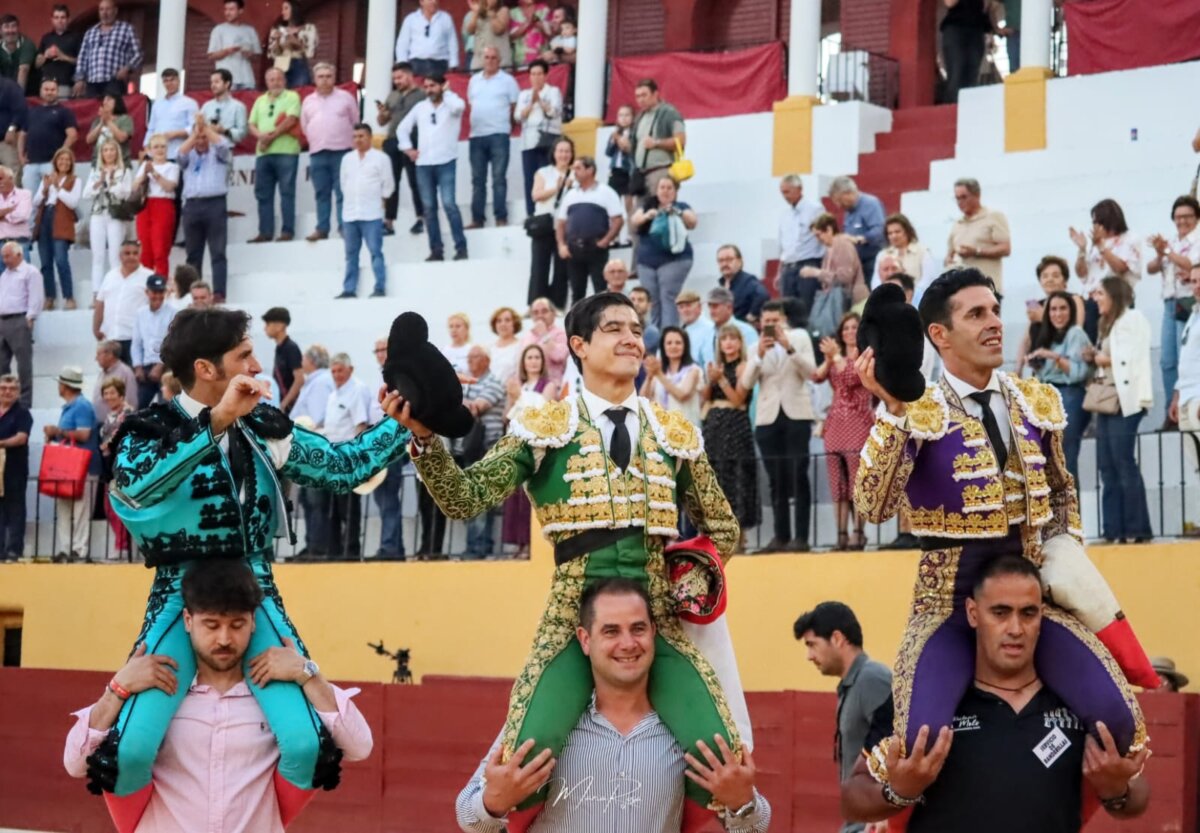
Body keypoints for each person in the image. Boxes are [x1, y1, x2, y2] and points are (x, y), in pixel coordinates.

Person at [401, 292, 751, 829]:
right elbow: (464, 499)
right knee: (526, 758)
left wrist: (688, 579)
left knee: (720, 757)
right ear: (579, 345)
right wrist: (425, 441)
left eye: (636, 328)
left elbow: (723, 528)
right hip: (571, 619)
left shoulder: (673, 432)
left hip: (655, 620)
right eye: (615, 328)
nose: (631, 338)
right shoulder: (544, 426)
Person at [100, 307, 408, 818]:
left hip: (253, 591)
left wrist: (404, 422)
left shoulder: (264, 425)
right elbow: (134, 486)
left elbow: (343, 466)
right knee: (129, 751)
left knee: (306, 743)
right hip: (179, 595)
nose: (257, 364)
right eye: (244, 355)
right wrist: (215, 422)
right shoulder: (148, 429)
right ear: (206, 368)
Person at [854, 268, 1154, 785]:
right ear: (939, 334)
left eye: (994, 310)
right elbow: (873, 507)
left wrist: (1063, 564)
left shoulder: (1035, 400)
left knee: (1121, 724)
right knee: (917, 743)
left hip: (1030, 600)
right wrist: (893, 411)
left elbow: (1061, 494)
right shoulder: (914, 410)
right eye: (976, 314)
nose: (995, 322)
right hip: (948, 605)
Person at [842, 556, 1150, 832]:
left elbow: (1138, 795)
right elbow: (852, 797)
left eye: (1028, 613)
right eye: (1000, 613)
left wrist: (1118, 790)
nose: (1015, 628)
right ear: (973, 613)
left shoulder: (1076, 701)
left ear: (1042, 617)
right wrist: (897, 793)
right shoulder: (923, 699)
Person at [64, 558, 374, 830]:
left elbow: (360, 746)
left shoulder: (281, 693)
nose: (224, 638)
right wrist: (117, 689)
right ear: (188, 620)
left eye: (236, 625)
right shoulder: (156, 692)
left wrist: (308, 673)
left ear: (253, 622)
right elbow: (74, 764)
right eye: (211, 625)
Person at [456, 577, 771, 833]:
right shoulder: (549, 718)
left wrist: (742, 803)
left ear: (653, 633)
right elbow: (468, 815)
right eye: (611, 631)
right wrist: (492, 802)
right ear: (585, 639)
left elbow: (755, 827)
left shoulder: (685, 728)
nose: (628, 644)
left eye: (638, 628)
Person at [793, 601, 890, 833]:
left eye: (812, 644)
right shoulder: (853, 685)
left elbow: (901, 743)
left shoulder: (871, 678)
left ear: (837, 639)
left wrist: (887, 814)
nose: (809, 656)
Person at [1083, 277, 1153, 543]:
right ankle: (1113, 529)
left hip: (1127, 401)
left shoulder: (1133, 318)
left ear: (1114, 295)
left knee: (1123, 462)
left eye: (1100, 293)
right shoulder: (1106, 324)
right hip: (1109, 400)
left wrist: (1103, 359)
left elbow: (1133, 356)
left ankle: (1136, 528)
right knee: (1107, 465)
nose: (1096, 298)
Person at [745, 299, 815, 552]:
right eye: (767, 322)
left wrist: (789, 348)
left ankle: (802, 537)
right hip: (767, 417)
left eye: (775, 321)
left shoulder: (799, 337)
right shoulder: (754, 347)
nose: (771, 325)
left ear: (784, 320)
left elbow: (811, 372)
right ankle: (781, 536)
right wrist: (759, 356)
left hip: (796, 414)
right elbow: (746, 383)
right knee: (776, 478)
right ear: (760, 324)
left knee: (799, 474)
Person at [815, 313, 874, 550]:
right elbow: (816, 376)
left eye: (854, 327)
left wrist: (836, 356)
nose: (849, 331)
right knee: (837, 482)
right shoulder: (836, 357)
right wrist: (829, 358)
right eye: (846, 328)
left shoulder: (867, 355)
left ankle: (858, 533)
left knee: (857, 481)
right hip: (835, 423)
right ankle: (841, 533)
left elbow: (850, 377)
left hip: (859, 421)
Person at [398, 73, 468, 262]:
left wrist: (447, 93)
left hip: (446, 161)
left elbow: (459, 107)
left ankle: (461, 248)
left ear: (442, 86)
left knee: (449, 205)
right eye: (427, 86)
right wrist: (408, 149)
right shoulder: (420, 107)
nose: (429, 90)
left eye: (433, 86)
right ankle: (436, 250)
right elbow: (402, 129)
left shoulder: (452, 104)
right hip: (424, 164)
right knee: (429, 209)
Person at [700, 323, 758, 546]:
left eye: (733, 338)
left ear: (740, 343)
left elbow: (738, 399)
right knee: (716, 478)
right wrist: (711, 379)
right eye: (724, 339)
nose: (729, 343)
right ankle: (717, 535)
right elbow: (705, 398)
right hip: (714, 426)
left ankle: (739, 536)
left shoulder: (743, 367)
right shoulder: (716, 366)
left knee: (737, 478)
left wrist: (722, 380)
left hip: (735, 425)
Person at [1027, 291, 1091, 490]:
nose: (1058, 314)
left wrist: (1053, 356)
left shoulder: (1076, 333)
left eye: (1063, 308)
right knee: (1048, 460)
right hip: (1047, 397)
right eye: (1053, 309)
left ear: (1071, 311)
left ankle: (1072, 508)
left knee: (1066, 458)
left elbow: (1078, 373)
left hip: (1070, 395)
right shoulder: (1047, 335)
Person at [500, 343, 555, 558]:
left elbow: (542, 410)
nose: (533, 361)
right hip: (518, 446)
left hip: (537, 448)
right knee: (517, 497)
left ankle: (532, 545)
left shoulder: (548, 385)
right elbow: (507, 415)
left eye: (537, 357)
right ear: (523, 362)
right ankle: (519, 544)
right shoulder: (519, 386)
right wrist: (513, 398)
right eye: (529, 357)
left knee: (531, 497)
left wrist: (519, 397)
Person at [1148, 195, 1200, 422]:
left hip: (1189, 303)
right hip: (1169, 302)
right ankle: (1171, 409)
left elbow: (1191, 265)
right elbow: (1151, 268)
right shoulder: (1172, 242)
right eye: (1178, 217)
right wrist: (1160, 253)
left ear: (1197, 218)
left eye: (1187, 216)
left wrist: (1168, 252)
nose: (1182, 221)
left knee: (1183, 356)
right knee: (1167, 360)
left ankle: (1185, 404)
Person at [456, 345, 506, 559]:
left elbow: (476, 407)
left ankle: (479, 547)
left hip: (486, 448)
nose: (470, 361)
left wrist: (454, 401)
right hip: (470, 448)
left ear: (486, 360)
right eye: (468, 357)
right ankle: (474, 545)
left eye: (475, 357)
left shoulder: (493, 382)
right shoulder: (468, 384)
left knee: (481, 499)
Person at [46, 365, 99, 563]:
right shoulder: (72, 406)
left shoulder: (81, 406)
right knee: (65, 508)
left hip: (83, 467)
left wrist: (57, 432)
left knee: (79, 509)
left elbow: (84, 434)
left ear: (65, 386)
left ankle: (78, 550)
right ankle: (65, 548)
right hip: (70, 467)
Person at [320, 352, 370, 559]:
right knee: (332, 507)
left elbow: (361, 424)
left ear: (350, 369)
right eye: (333, 371)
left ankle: (350, 551)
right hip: (331, 458)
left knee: (348, 507)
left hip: (348, 457)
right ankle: (333, 550)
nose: (336, 375)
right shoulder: (333, 395)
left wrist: (357, 457)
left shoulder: (357, 389)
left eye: (340, 370)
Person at [555, 156, 624, 307]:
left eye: (578, 168)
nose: (575, 172)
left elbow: (618, 220)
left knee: (601, 290)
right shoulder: (570, 194)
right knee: (577, 292)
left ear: (590, 170)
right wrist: (561, 245)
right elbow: (561, 223)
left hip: (596, 248)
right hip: (574, 250)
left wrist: (605, 241)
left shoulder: (606, 192)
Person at [630, 176, 697, 329]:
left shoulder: (681, 206)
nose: (665, 191)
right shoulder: (648, 205)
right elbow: (635, 220)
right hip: (646, 262)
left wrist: (677, 212)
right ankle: (654, 333)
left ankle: (669, 333)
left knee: (668, 296)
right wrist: (648, 215)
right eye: (662, 187)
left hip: (674, 260)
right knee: (651, 300)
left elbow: (693, 221)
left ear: (675, 191)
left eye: (669, 188)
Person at [1072, 198, 1142, 344]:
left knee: (1116, 344)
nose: (1095, 226)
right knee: (1092, 343)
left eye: (1097, 221)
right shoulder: (1096, 243)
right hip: (1092, 301)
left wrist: (1101, 247)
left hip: (1117, 299)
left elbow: (1121, 268)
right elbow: (1082, 273)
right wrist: (1082, 249)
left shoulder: (1130, 239)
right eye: (1094, 222)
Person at [336, 122, 394, 298]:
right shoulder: (347, 159)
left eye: (361, 136)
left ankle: (379, 287)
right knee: (351, 255)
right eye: (355, 137)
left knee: (375, 252)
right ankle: (349, 289)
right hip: (350, 214)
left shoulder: (381, 158)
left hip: (372, 214)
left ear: (369, 137)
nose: (357, 140)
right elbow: (343, 184)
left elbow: (388, 184)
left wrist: (380, 200)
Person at [178, 114, 232, 301]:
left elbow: (223, 146)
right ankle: (194, 295)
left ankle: (218, 293)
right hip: (192, 205)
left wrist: (206, 128)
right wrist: (195, 134)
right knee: (193, 254)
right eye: (197, 138)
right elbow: (180, 155)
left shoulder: (218, 152)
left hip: (215, 204)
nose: (201, 141)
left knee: (218, 252)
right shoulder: (189, 154)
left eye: (204, 137)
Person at [302, 63, 357, 242]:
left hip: (342, 151)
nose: (325, 80)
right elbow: (305, 125)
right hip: (318, 153)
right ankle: (322, 228)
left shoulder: (346, 97)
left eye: (328, 76)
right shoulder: (308, 101)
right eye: (321, 76)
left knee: (343, 192)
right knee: (321, 193)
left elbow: (355, 121)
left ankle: (344, 227)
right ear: (315, 79)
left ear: (334, 78)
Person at [467, 46, 519, 230]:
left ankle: (500, 218)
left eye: (493, 57)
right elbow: (472, 104)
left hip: (499, 134)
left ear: (499, 60)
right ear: (482, 59)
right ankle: (477, 219)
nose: (489, 60)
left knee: (499, 178)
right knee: (477, 180)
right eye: (487, 57)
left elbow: (514, 107)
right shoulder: (474, 80)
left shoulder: (508, 81)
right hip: (477, 135)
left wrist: (505, 127)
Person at [247, 67, 301, 243]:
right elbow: (251, 124)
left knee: (287, 192)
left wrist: (270, 137)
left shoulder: (292, 96)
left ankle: (287, 231)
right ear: (266, 82)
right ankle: (265, 232)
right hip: (263, 153)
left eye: (278, 79)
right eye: (271, 79)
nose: (275, 82)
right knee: (263, 194)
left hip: (286, 151)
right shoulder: (260, 100)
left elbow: (291, 119)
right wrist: (260, 136)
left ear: (284, 80)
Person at [1016, 254, 1089, 372]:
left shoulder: (1074, 299)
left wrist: (1043, 318)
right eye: (1044, 276)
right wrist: (1017, 369)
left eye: (1055, 276)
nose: (1050, 279)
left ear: (1064, 280)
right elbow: (1026, 340)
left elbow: (1076, 332)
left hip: (1062, 367)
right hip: (1037, 369)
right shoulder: (1036, 304)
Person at [378, 62, 426, 237]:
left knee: (416, 180)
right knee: (391, 182)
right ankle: (389, 222)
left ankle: (421, 218)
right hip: (392, 140)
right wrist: (383, 114)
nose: (397, 81)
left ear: (410, 75)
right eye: (394, 78)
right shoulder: (392, 95)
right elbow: (382, 122)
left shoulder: (422, 94)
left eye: (399, 77)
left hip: (414, 140)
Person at [31, 146, 81, 309]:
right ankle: (49, 297)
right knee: (46, 262)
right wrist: (45, 188)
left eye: (67, 160)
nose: (64, 162)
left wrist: (58, 187)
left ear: (71, 163)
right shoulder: (47, 178)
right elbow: (36, 202)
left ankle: (69, 296)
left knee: (61, 260)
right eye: (61, 159)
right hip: (45, 218)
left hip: (62, 219)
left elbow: (73, 203)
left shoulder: (75, 180)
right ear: (55, 161)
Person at [801, 213, 867, 334]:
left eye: (818, 235)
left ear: (829, 229)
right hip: (836, 300)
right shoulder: (829, 249)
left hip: (851, 301)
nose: (817, 239)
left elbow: (845, 277)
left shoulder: (842, 245)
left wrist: (817, 273)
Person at [527, 135, 572, 307]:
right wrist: (557, 188)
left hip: (566, 226)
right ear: (554, 153)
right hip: (545, 224)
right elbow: (536, 195)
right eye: (560, 151)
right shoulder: (544, 172)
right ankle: (536, 304)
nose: (564, 155)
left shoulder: (575, 173)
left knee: (562, 268)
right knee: (539, 266)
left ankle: (558, 304)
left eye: (567, 151)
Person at [945, 177, 1011, 294]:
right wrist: (949, 260)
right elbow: (949, 255)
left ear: (977, 195)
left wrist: (976, 251)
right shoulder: (957, 223)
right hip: (961, 290)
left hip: (987, 289)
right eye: (957, 198)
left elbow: (1006, 248)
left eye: (964, 197)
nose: (960, 202)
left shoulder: (993, 216)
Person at [94, 239, 153, 364]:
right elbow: (100, 302)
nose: (131, 256)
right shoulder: (110, 276)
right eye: (127, 253)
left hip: (135, 339)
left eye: (135, 253)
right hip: (111, 339)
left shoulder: (148, 277)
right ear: (120, 256)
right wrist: (96, 328)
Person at [85, 139, 132, 300]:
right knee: (97, 256)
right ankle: (96, 293)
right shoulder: (95, 171)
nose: (109, 153)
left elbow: (125, 193)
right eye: (106, 150)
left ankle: (115, 292)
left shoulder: (124, 171)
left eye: (112, 150)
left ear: (117, 152)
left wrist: (111, 182)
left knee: (114, 255)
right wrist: (99, 182)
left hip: (115, 215)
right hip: (98, 214)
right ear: (101, 153)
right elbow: (86, 194)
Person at [516, 59, 562, 217]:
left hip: (547, 142)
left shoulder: (553, 91)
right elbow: (517, 116)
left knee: (547, 177)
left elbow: (554, 112)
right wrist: (531, 103)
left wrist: (540, 101)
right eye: (533, 74)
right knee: (530, 179)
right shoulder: (524, 95)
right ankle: (531, 215)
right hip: (528, 143)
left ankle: (548, 213)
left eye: (539, 74)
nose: (536, 78)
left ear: (546, 75)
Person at [0, 242, 42, 407]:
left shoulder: (30, 272)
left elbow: (36, 296)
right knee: (1, 363)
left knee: (23, 365)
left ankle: (24, 403)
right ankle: (4, 401)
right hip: (2, 320)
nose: (5, 260)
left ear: (19, 255)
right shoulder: (5, 275)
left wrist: (30, 317)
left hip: (19, 319)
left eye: (8, 256)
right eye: (3, 257)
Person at [72, 0, 142, 98]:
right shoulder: (90, 32)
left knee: (113, 107)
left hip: (114, 81)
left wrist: (127, 68)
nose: (104, 13)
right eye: (101, 10)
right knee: (93, 108)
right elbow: (82, 58)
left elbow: (138, 54)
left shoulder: (126, 29)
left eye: (108, 9)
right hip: (92, 83)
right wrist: (79, 79)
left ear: (115, 11)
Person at [19, 78, 78, 194]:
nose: (49, 92)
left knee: (53, 198)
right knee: (30, 199)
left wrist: (59, 157)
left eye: (53, 90)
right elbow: (22, 135)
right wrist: (21, 156)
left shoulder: (64, 112)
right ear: (40, 91)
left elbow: (72, 136)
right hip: (31, 163)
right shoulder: (31, 112)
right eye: (46, 89)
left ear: (57, 92)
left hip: (51, 164)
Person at [98, 375, 135, 557]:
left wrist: (109, 443)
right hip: (108, 466)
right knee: (109, 507)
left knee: (119, 507)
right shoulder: (109, 416)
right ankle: (119, 545)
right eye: (106, 393)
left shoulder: (128, 414)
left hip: (122, 466)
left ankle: (122, 547)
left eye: (112, 392)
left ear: (121, 394)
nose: (109, 396)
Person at [132, 134, 180, 277]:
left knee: (160, 249)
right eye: (156, 147)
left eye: (163, 147)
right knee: (145, 250)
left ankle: (160, 282)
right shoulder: (145, 166)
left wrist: (154, 173)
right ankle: (145, 283)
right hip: (146, 207)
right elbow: (134, 187)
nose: (159, 150)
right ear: (150, 150)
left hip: (163, 206)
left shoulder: (172, 167)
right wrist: (144, 174)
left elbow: (169, 187)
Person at [630, 78, 686, 199]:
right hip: (640, 175)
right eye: (638, 96)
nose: (641, 100)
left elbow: (680, 141)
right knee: (639, 210)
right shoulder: (639, 117)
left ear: (655, 94)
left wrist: (656, 143)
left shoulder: (670, 113)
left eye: (644, 95)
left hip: (661, 172)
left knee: (661, 208)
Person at [778, 173, 825, 311]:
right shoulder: (785, 214)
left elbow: (824, 236)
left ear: (799, 189)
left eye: (787, 192)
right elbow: (783, 245)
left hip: (808, 263)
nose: (785, 196)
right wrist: (780, 271)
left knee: (806, 307)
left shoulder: (815, 209)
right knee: (787, 309)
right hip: (788, 267)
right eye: (782, 192)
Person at [1171, 267, 1200, 496]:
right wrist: (1176, 395)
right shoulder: (1193, 314)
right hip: (1186, 397)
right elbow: (1187, 360)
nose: (1196, 286)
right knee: (1196, 467)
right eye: (1193, 281)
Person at [641, 325, 702, 427]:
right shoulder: (659, 370)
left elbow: (682, 395)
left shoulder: (693, 370)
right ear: (663, 347)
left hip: (686, 429)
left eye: (678, 343)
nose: (673, 346)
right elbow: (643, 399)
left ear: (685, 346)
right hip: (660, 429)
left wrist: (658, 374)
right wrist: (649, 377)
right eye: (669, 343)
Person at [827, 177, 884, 282]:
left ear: (848, 193)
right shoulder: (848, 211)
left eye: (839, 200)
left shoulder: (870, 204)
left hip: (872, 262)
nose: (838, 206)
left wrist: (859, 238)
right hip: (856, 264)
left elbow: (880, 230)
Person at [131, 275, 175, 408]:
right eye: (154, 292)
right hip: (146, 368)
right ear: (147, 292)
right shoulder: (140, 313)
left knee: (166, 407)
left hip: (166, 367)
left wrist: (160, 365)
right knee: (138, 407)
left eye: (161, 292)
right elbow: (136, 343)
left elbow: (173, 342)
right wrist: (138, 367)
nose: (158, 296)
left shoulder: (173, 312)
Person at [0, 373, 29, 560]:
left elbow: (21, 438)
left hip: (14, 469)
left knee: (16, 509)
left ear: (18, 392)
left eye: (12, 389)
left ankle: (14, 549)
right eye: (3, 388)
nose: (7, 392)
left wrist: (1, 443)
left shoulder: (22, 413)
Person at [874, 213, 938, 298]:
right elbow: (875, 281)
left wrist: (911, 295)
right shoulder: (882, 255)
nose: (894, 236)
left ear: (907, 231)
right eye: (890, 233)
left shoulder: (923, 252)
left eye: (897, 232)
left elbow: (928, 279)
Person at [939, 0, 991, 103]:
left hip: (976, 29)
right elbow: (949, 3)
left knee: (972, 74)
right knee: (957, 71)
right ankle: (952, 107)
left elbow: (986, 6)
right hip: (956, 28)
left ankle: (968, 106)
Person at [146, 68, 199, 168]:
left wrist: (177, 133)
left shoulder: (189, 103)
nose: (169, 83)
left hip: (178, 153)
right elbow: (151, 128)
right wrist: (146, 148)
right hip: (157, 155)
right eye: (166, 81)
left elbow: (195, 128)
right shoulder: (157, 104)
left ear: (179, 81)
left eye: (172, 80)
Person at [394, 0, 459, 78]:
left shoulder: (446, 18)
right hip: (416, 64)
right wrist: (402, 64)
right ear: (421, 2)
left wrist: (453, 64)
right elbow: (403, 43)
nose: (434, 2)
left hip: (439, 64)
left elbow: (452, 42)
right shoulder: (411, 19)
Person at [207, 0, 261, 91]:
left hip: (247, 79)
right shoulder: (218, 30)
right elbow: (211, 55)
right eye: (226, 9)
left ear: (240, 11)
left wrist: (249, 55)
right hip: (226, 80)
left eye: (231, 9)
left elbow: (257, 56)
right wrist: (228, 51)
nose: (227, 13)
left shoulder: (250, 30)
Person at [698, 287, 757, 368]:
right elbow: (701, 363)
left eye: (715, 306)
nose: (711, 311)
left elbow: (755, 363)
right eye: (710, 306)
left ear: (729, 308)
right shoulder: (706, 334)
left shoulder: (746, 331)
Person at [266, 0, 317, 88]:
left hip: (298, 64)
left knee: (300, 90)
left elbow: (310, 52)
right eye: (282, 9)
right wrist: (277, 40)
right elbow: (272, 54)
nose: (283, 12)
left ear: (294, 10)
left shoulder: (308, 28)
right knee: (280, 90)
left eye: (286, 8)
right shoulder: (277, 30)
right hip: (281, 64)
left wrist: (296, 42)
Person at [519, 297, 569, 387]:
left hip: (553, 386)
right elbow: (521, 364)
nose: (540, 315)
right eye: (536, 312)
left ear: (553, 313)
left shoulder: (561, 334)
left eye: (544, 311)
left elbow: (559, 356)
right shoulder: (527, 336)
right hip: (529, 387)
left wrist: (544, 334)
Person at [262, 306, 303, 413]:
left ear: (279, 326)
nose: (264, 328)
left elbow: (299, 379)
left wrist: (284, 403)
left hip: (290, 408)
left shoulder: (291, 348)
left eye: (268, 324)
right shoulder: (279, 348)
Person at [716, 244, 768, 326]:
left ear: (739, 262)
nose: (724, 264)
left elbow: (762, 295)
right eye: (721, 261)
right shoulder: (721, 285)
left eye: (729, 260)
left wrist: (750, 316)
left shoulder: (748, 281)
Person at [37, 5, 82, 98]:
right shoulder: (46, 38)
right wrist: (45, 55)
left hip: (65, 84)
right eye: (56, 17)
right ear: (52, 20)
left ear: (68, 19)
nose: (59, 20)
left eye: (63, 17)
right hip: (46, 85)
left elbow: (81, 62)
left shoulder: (76, 37)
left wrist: (63, 56)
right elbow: (37, 64)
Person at [93, 338, 137, 425]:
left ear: (110, 355)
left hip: (116, 426)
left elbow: (131, 401)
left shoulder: (125, 373)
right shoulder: (103, 373)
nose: (96, 359)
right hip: (101, 424)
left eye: (98, 354)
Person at [200, 68, 248, 148]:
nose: (213, 85)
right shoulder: (207, 106)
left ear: (227, 84)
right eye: (211, 82)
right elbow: (198, 127)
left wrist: (224, 130)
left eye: (216, 82)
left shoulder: (238, 106)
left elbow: (242, 133)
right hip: (207, 149)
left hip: (227, 149)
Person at [605, 104, 635, 229]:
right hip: (615, 170)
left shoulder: (634, 134)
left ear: (633, 117)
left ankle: (631, 231)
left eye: (627, 115)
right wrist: (613, 140)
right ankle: (614, 232)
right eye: (621, 115)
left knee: (629, 204)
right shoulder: (615, 133)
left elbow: (628, 149)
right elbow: (608, 152)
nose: (624, 118)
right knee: (613, 202)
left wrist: (618, 139)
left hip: (628, 171)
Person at [85, 92, 134, 161]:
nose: (105, 102)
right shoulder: (97, 120)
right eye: (104, 100)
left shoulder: (125, 119)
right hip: (98, 162)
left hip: (120, 162)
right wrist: (101, 123)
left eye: (109, 99)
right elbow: (89, 140)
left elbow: (122, 138)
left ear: (117, 102)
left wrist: (108, 121)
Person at [465, 0, 512, 71]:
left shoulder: (503, 10)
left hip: (500, 63)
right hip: (479, 62)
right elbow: (470, 31)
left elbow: (499, 30)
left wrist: (488, 12)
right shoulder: (476, 12)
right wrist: (476, 14)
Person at [676, 289, 714, 366]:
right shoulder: (680, 330)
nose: (685, 310)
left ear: (699, 307)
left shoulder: (710, 330)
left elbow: (710, 363)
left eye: (688, 306)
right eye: (681, 307)